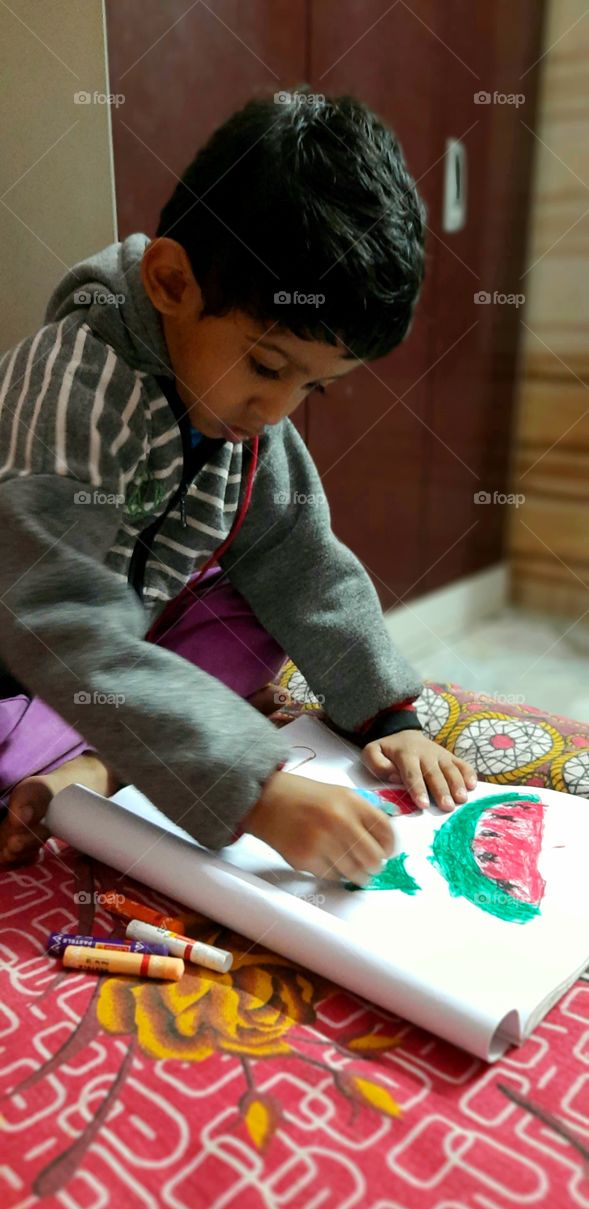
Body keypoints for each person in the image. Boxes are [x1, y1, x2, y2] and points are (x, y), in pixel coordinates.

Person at [0, 87, 476, 884]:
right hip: (29, 638)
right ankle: (79, 756)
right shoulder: (75, 393)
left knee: (264, 600)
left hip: (123, 632)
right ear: (170, 281)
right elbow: (53, 621)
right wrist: (257, 793)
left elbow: (302, 555)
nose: (276, 411)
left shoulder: (242, 416)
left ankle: (98, 766)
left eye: (310, 389)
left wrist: (387, 716)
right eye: (266, 368)